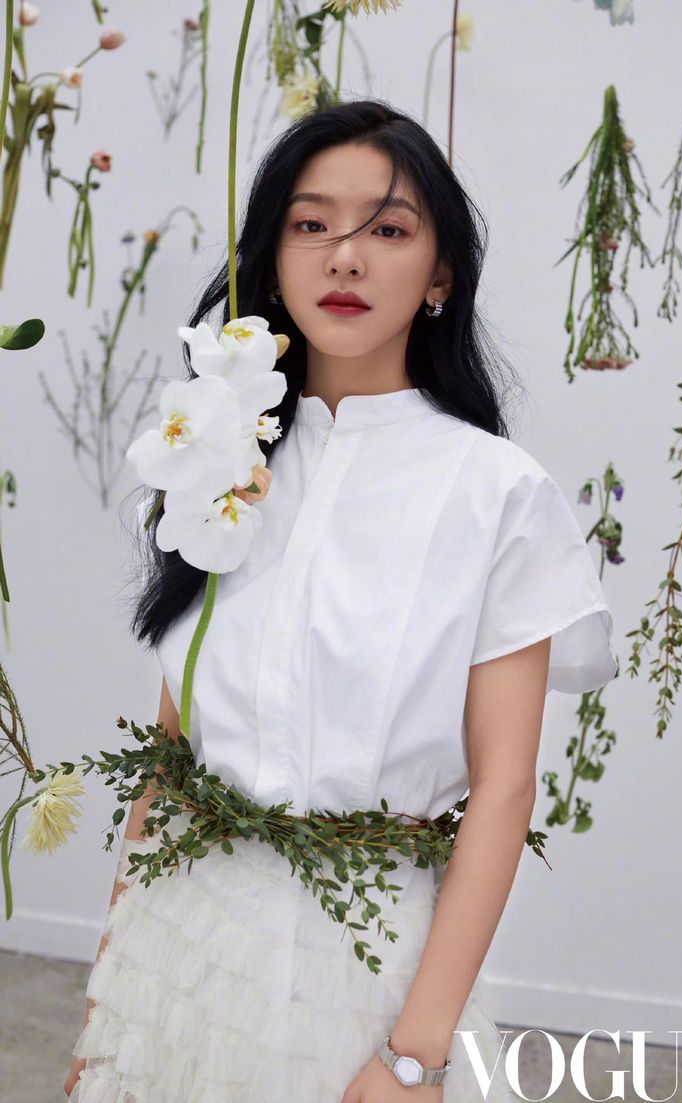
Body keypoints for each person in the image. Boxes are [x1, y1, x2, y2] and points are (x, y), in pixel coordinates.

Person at [65, 98, 618, 1102]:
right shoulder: (219, 456)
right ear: (272, 258)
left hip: (365, 971)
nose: (345, 258)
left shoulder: (495, 493)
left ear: (441, 273)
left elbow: (503, 786)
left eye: (389, 229)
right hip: (178, 947)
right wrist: (107, 1002)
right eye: (310, 224)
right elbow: (170, 753)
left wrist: (416, 1051)